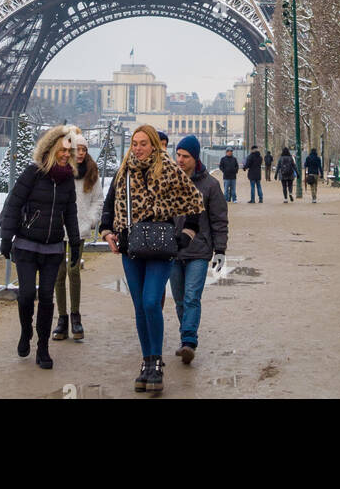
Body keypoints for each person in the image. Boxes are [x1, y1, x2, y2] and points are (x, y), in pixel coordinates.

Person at [100, 124, 203, 394]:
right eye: (135, 143)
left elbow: (194, 201)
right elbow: (109, 204)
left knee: (150, 302)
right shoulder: (124, 171)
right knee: (139, 306)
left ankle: (156, 363)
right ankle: (146, 363)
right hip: (131, 245)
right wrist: (107, 231)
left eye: (144, 143)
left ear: (154, 145)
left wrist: (186, 235)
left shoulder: (169, 169)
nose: (138, 148)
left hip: (160, 246)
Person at [0, 125, 80, 370]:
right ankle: (26, 332)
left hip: (53, 248)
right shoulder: (32, 173)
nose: (67, 155)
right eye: (63, 150)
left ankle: (42, 347)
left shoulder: (67, 180)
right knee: (26, 295)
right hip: (26, 245)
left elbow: (71, 214)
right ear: (51, 147)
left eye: (70, 151)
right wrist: (6, 237)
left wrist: (74, 243)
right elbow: (14, 204)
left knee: (46, 298)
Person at [168, 135, 227, 364]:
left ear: (195, 158)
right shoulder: (169, 181)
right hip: (172, 250)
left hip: (199, 251)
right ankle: (186, 337)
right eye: (178, 155)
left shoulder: (210, 186)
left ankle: (189, 341)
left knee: (192, 297)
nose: (180, 160)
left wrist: (220, 250)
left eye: (185, 156)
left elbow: (219, 220)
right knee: (180, 300)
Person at [52, 131, 103, 342]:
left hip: (79, 228)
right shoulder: (61, 170)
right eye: (77, 149)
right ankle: (62, 318)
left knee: (73, 270)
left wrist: (89, 221)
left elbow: (97, 200)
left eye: (84, 150)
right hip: (58, 228)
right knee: (58, 273)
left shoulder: (91, 173)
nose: (80, 153)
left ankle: (74, 316)